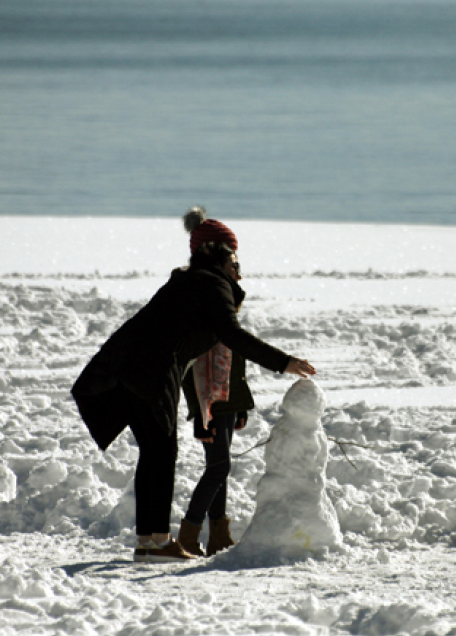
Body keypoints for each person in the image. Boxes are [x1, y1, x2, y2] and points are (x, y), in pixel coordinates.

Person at [71, 207, 316, 562]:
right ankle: (154, 543)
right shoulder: (210, 283)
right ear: (219, 251)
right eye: (233, 252)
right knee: (160, 453)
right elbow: (231, 334)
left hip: (129, 371)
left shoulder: (188, 282)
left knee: (156, 454)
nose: (237, 259)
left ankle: (150, 540)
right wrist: (283, 362)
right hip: (151, 374)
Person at [179, 341, 253, 557]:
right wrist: (200, 416)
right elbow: (188, 372)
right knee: (218, 469)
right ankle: (188, 537)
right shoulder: (204, 323)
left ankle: (218, 537)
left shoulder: (226, 321)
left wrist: (240, 407)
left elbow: (235, 363)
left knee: (220, 468)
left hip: (228, 404)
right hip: (212, 407)